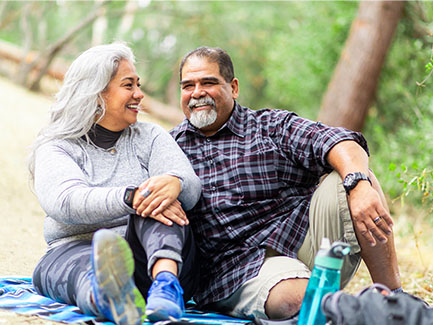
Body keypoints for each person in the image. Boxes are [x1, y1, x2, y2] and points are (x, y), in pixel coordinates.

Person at [170, 46, 402, 321]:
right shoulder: (170, 148)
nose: (197, 93)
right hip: (237, 272)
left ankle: (394, 299)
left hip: (304, 241)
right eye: (188, 86)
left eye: (208, 82)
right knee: (299, 300)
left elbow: (339, 141)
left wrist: (358, 183)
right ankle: (340, 308)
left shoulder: (269, 126)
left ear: (233, 88)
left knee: (356, 178)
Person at [28, 42, 202, 325]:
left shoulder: (150, 137)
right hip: (74, 249)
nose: (139, 94)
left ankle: (166, 287)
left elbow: (191, 188)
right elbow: (64, 201)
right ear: (96, 93)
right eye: (128, 85)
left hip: (156, 260)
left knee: (158, 201)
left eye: (138, 84)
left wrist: (176, 183)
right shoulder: (58, 147)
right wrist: (130, 197)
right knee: (63, 271)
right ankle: (109, 297)